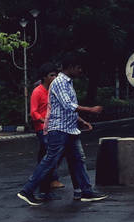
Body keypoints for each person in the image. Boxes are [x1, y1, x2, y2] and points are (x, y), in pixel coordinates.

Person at [16, 52, 108, 206]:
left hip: (69, 129)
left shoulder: (68, 83)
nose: (81, 71)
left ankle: (86, 191)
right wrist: (90, 110)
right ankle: (27, 190)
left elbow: (67, 108)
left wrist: (80, 121)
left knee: (78, 160)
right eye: (78, 68)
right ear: (70, 67)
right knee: (50, 160)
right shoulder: (59, 82)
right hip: (59, 130)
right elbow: (68, 105)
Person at [30, 63, 64, 197]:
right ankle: (47, 180)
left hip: (53, 127)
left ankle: (47, 179)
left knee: (50, 154)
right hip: (42, 128)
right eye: (52, 75)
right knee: (50, 154)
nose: (55, 78)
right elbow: (33, 112)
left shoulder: (53, 91)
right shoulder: (37, 91)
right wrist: (44, 121)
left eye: (56, 75)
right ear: (44, 77)